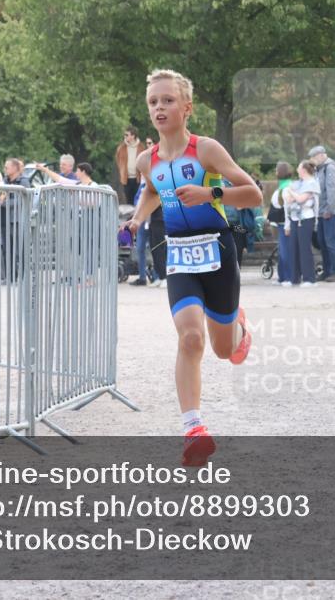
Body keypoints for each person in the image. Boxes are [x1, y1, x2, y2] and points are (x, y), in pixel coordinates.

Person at [123, 69, 261, 466]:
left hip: (217, 253)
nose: (159, 108)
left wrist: (209, 192)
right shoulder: (147, 160)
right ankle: (193, 429)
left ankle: (237, 328)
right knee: (190, 339)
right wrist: (137, 218)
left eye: (167, 101)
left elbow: (252, 193)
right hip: (180, 255)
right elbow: (153, 190)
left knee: (222, 349)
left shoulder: (206, 150)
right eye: (153, 102)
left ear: (187, 108)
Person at [309, 145, 335, 283]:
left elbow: (332, 190)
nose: (313, 160)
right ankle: (327, 271)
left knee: (330, 242)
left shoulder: (330, 168)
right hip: (322, 212)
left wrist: (329, 209)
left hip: (330, 213)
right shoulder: (320, 169)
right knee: (323, 242)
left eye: (314, 157)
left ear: (322, 155)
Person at [285, 161, 321, 287]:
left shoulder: (312, 183)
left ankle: (309, 279)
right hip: (295, 218)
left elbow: (300, 199)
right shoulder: (299, 183)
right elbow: (289, 199)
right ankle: (294, 278)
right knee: (294, 247)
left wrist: (292, 192)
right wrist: (294, 195)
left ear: (304, 170)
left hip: (306, 219)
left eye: (298, 168)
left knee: (304, 248)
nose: (297, 170)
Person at [2, 158, 30, 283]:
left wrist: (3, 203)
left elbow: (22, 200)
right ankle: (10, 276)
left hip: (18, 220)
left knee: (20, 249)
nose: (5, 169)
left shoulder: (23, 182)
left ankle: (23, 276)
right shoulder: (5, 181)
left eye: (7, 167)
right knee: (7, 249)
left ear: (14, 168)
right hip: (5, 220)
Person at [268, 161, 295, 287]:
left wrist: (287, 226)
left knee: (286, 252)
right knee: (282, 251)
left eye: (276, 170)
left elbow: (288, 209)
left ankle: (288, 277)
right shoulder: (282, 186)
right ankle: (282, 277)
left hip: (285, 224)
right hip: (280, 223)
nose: (275, 172)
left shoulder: (287, 187)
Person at [115, 127, 144, 204]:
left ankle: (137, 215)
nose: (125, 136)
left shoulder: (141, 147)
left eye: (127, 135)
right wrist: (122, 171)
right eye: (125, 135)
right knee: (129, 200)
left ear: (133, 136)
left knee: (138, 200)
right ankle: (130, 216)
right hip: (126, 179)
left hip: (138, 178)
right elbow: (118, 160)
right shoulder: (121, 148)